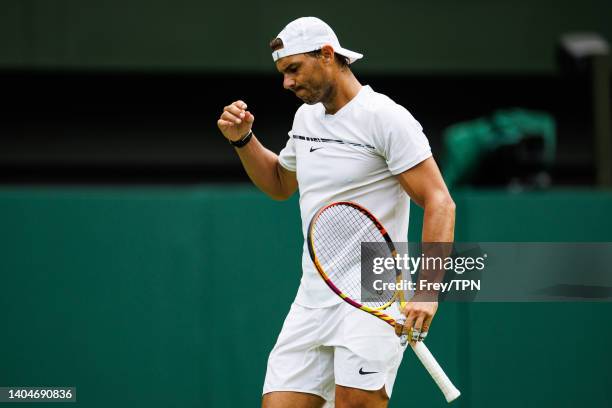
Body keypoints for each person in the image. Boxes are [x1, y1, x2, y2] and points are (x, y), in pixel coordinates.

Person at [217, 16, 455, 408]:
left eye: (293, 69)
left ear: (327, 55)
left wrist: (428, 291)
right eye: (282, 73)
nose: (287, 83)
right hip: (312, 298)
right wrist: (243, 140)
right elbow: (280, 183)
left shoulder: (386, 118)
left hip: (372, 297)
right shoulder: (305, 118)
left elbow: (440, 201)